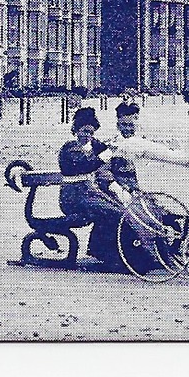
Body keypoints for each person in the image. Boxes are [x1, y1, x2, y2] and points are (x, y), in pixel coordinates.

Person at [57, 107, 131, 271]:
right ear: (75, 130)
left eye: (90, 132)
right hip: (72, 197)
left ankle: (107, 251)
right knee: (111, 212)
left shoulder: (93, 144)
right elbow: (85, 166)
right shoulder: (70, 148)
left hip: (88, 193)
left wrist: (116, 147)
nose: (87, 136)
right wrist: (105, 155)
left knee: (116, 210)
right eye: (83, 131)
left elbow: (108, 150)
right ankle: (104, 253)